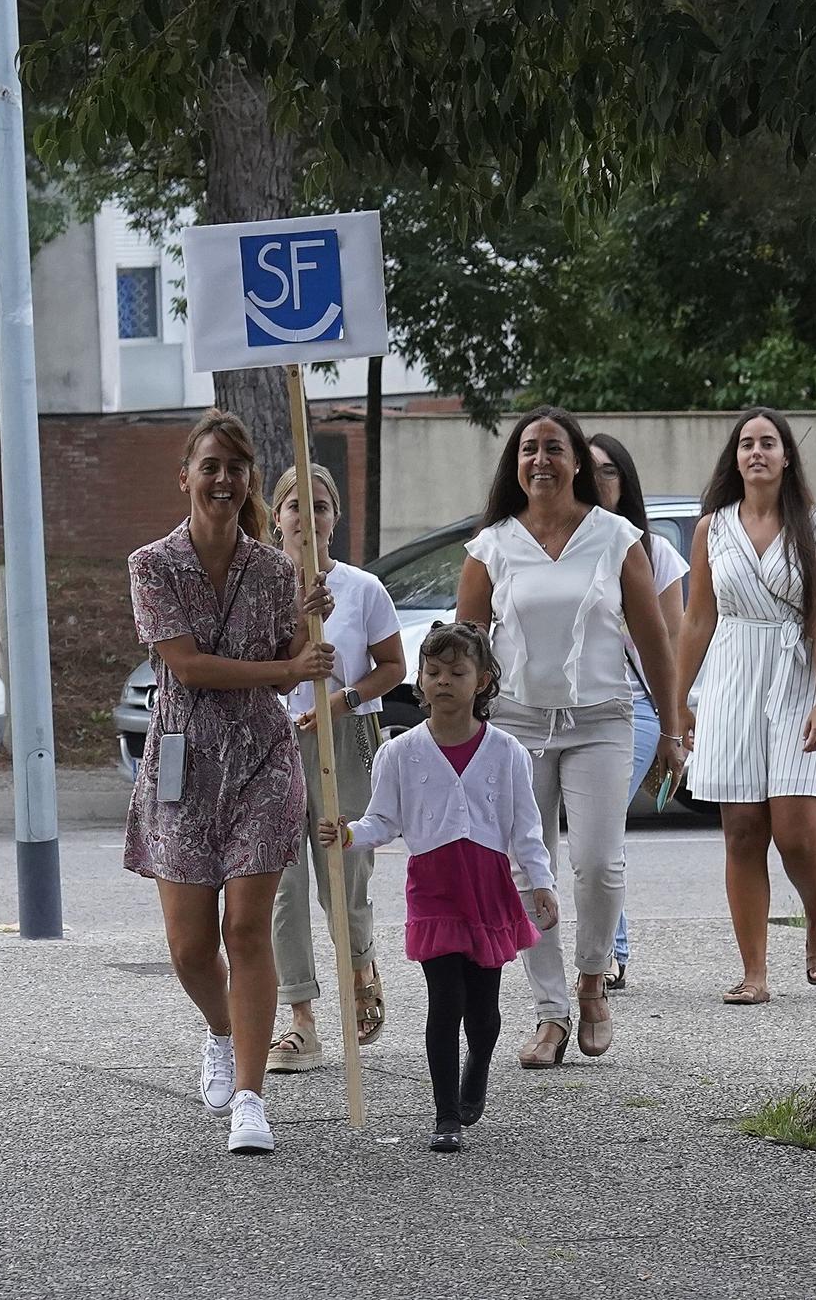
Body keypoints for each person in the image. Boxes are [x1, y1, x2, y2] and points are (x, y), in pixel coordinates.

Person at [123, 409, 334, 1155]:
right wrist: (287, 669)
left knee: (246, 926)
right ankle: (221, 1029)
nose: (223, 479)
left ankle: (251, 1095)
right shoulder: (152, 564)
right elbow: (188, 665)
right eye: (210, 465)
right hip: (182, 755)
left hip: (262, 758)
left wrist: (310, 624)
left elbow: (295, 650)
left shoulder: (276, 569)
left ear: (247, 479)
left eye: (235, 467)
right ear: (185, 475)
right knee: (188, 945)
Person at [456, 408, 685, 1068]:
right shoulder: (491, 546)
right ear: (516, 463)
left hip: (600, 719)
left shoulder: (615, 538)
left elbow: (655, 640)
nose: (541, 460)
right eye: (529, 449)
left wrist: (671, 726)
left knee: (598, 864)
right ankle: (551, 1011)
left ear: (577, 460)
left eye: (554, 448)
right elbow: (466, 649)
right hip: (516, 725)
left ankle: (593, 981)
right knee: (526, 869)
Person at [321, 623, 559, 1153]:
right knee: (444, 1000)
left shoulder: (507, 752)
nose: (443, 682)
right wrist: (349, 833)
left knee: (484, 1009)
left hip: (489, 887)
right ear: (420, 682)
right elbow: (383, 820)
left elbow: (526, 829)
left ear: (483, 681)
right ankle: (445, 1114)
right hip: (433, 887)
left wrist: (539, 884)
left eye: (457, 672)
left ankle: (478, 1067)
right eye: (433, 672)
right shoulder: (399, 753)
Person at [677, 408, 816, 1005]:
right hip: (731, 679)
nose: (757, 452)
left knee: (796, 832)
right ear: (735, 457)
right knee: (743, 832)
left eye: (768, 443)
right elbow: (697, 620)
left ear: (785, 457)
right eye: (746, 443)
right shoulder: (711, 530)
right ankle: (754, 971)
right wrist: (679, 703)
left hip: (799, 677)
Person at [264, 464, 407, 1075]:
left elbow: (392, 666)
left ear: (335, 518)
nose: (308, 518)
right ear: (277, 517)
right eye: (297, 505)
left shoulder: (362, 589)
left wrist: (343, 699)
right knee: (282, 879)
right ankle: (299, 1016)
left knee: (343, 867)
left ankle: (360, 964)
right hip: (272, 737)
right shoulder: (258, 587)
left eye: (320, 506)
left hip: (344, 735)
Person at [588, 433, 687, 993]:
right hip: (579, 706)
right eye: (590, 470)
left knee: (600, 828)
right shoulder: (569, 547)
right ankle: (611, 949)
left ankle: (610, 952)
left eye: (609, 471)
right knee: (598, 832)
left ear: (626, 482)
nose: (598, 481)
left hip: (639, 709)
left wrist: (675, 728)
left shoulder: (656, 555)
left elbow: (669, 648)